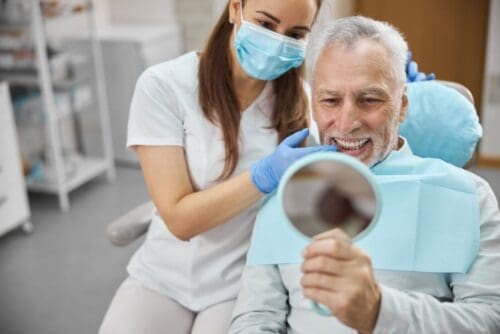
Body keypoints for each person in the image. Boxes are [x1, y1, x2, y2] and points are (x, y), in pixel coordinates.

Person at [230, 16, 500, 333]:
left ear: (402, 106)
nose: (346, 124)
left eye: (368, 99)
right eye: (330, 100)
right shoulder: (283, 194)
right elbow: (256, 317)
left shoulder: (469, 196)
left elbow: (489, 319)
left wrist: (380, 311)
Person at [99, 1, 336, 333]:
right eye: (266, 25)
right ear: (235, 9)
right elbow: (180, 220)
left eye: (295, 34)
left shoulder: (300, 101)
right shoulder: (164, 86)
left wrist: (399, 95)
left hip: (240, 283)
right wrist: (263, 175)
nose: (278, 42)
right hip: (162, 276)